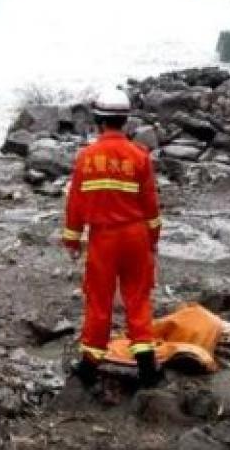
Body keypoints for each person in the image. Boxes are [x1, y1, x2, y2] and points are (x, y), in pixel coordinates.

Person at [62, 88, 163, 390]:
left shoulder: (86, 158)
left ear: (98, 120)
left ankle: (90, 365)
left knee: (99, 298)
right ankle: (147, 366)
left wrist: (72, 239)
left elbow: (76, 204)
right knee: (138, 297)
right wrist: (152, 240)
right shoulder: (139, 156)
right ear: (125, 121)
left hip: (103, 239)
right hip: (135, 237)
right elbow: (151, 207)